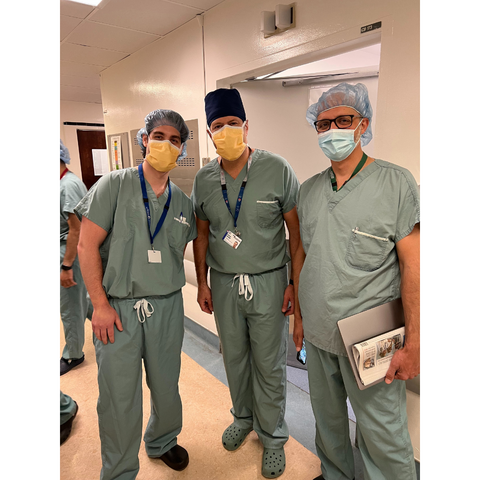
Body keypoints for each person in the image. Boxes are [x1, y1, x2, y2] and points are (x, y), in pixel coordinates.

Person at [293, 82, 420, 480]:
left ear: (363, 123)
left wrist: (415, 342)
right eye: (323, 122)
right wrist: (299, 318)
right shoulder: (309, 191)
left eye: (343, 120)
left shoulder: (396, 184)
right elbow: (302, 257)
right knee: (328, 423)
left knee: (383, 430)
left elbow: (414, 268)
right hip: (317, 331)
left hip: (372, 336)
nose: (332, 129)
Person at [75, 109, 197, 480]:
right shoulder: (114, 185)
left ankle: (161, 441)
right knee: (118, 396)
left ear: (181, 150)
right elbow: (85, 246)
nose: (166, 144)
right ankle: (119, 470)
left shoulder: (183, 204)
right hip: (118, 309)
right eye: (158, 136)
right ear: (144, 140)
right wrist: (99, 304)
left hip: (166, 306)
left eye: (175, 140)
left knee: (166, 385)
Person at [191, 88, 301, 479]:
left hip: (269, 281)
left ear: (246, 126)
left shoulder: (277, 169)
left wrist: (293, 284)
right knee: (234, 356)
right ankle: (243, 417)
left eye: (232, 123)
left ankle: (273, 437)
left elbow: (296, 234)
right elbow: (201, 235)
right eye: (217, 126)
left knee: (269, 363)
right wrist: (203, 284)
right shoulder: (205, 179)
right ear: (209, 133)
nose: (226, 131)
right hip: (223, 283)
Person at [60, 139, 93, 375]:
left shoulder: (69, 185)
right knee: (82, 298)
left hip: (69, 252)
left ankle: (73, 355)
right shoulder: (62, 182)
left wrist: (66, 265)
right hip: (67, 250)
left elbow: (76, 229)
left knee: (70, 306)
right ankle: (113, 329)